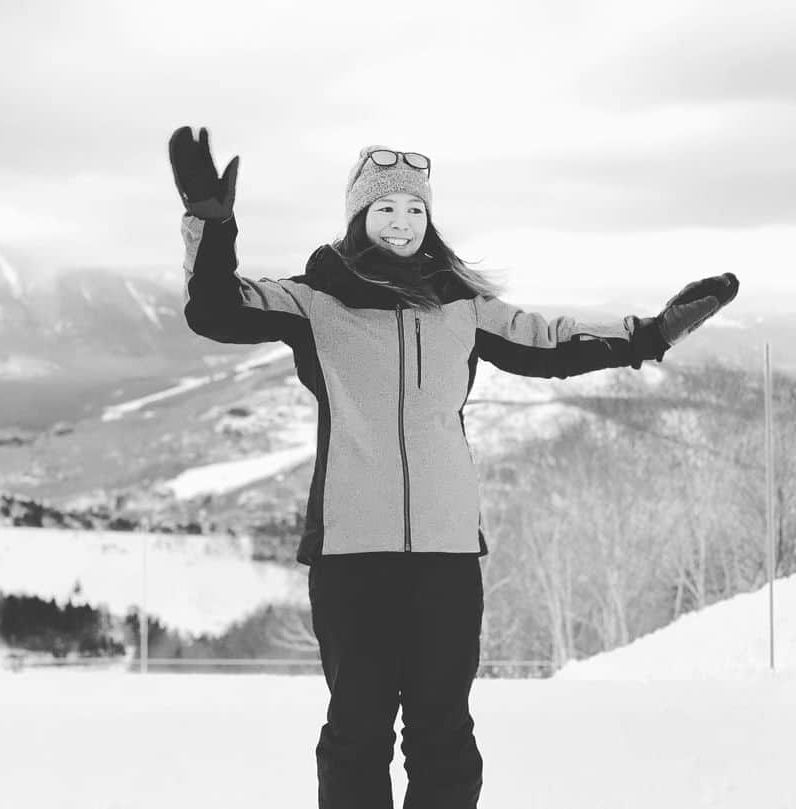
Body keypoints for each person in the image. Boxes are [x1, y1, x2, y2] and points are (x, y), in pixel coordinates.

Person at [167, 126, 739, 809]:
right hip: (352, 553)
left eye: (414, 209)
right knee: (357, 732)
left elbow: (551, 342)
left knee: (445, 732)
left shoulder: (462, 305)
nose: (402, 222)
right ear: (359, 216)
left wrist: (650, 334)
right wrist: (211, 222)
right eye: (385, 208)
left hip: (446, 552)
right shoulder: (314, 301)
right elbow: (216, 308)